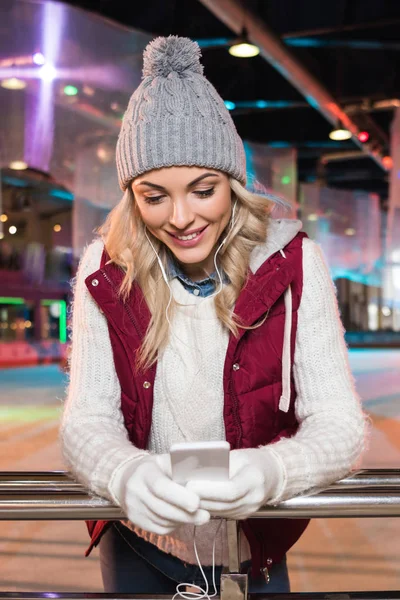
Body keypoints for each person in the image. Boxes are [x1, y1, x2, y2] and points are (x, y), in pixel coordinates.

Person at [60, 35, 366, 595]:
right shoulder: (105, 269)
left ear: (233, 183)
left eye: (203, 190)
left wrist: (272, 472)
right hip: (139, 547)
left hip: (256, 551)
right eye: (154, 197)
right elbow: (86, 419)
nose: (181, 218)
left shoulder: (295, 264)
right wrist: (124, 473)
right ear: (133, 197)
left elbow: (341, 425)